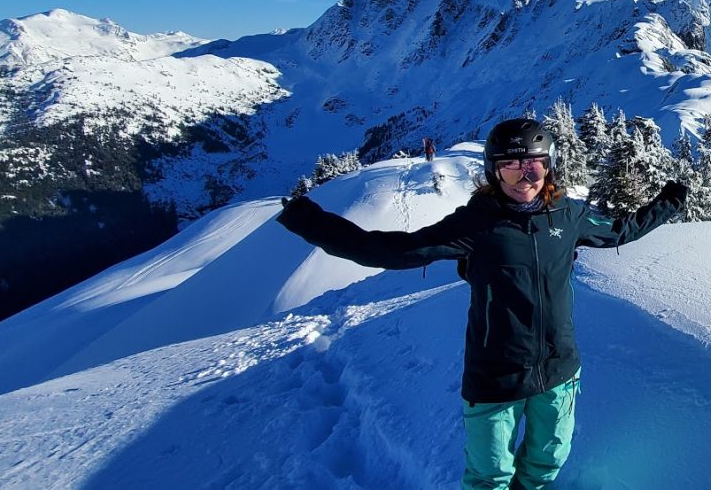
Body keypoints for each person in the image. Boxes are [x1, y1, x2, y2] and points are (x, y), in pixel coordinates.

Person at [278, 118, 686, 489]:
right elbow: (390, 251)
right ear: (493, 170)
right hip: (495, 376)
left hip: (559, 369)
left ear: (550, 167)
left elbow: (619, 231)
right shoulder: (476, 224)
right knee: (490, 477)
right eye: (511, 166)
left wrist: (669, 201)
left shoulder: (568, 216)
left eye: (534, 166)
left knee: (547, 463)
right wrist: (310, 222)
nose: (524, 176)